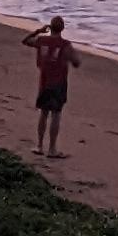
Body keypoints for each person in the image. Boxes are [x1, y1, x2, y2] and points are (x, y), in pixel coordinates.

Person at [27, 17, 82, 156]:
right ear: (62, 28)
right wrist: (70, 58)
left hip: (44, 82)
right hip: (58, 83)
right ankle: (52, 148)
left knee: (43, 113)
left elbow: (25, 41)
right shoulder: (65, 45)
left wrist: (38, 31)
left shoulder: (42, 41)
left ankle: (39, 145)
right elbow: (76, 62)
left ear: (50, 27)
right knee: (56, 114)